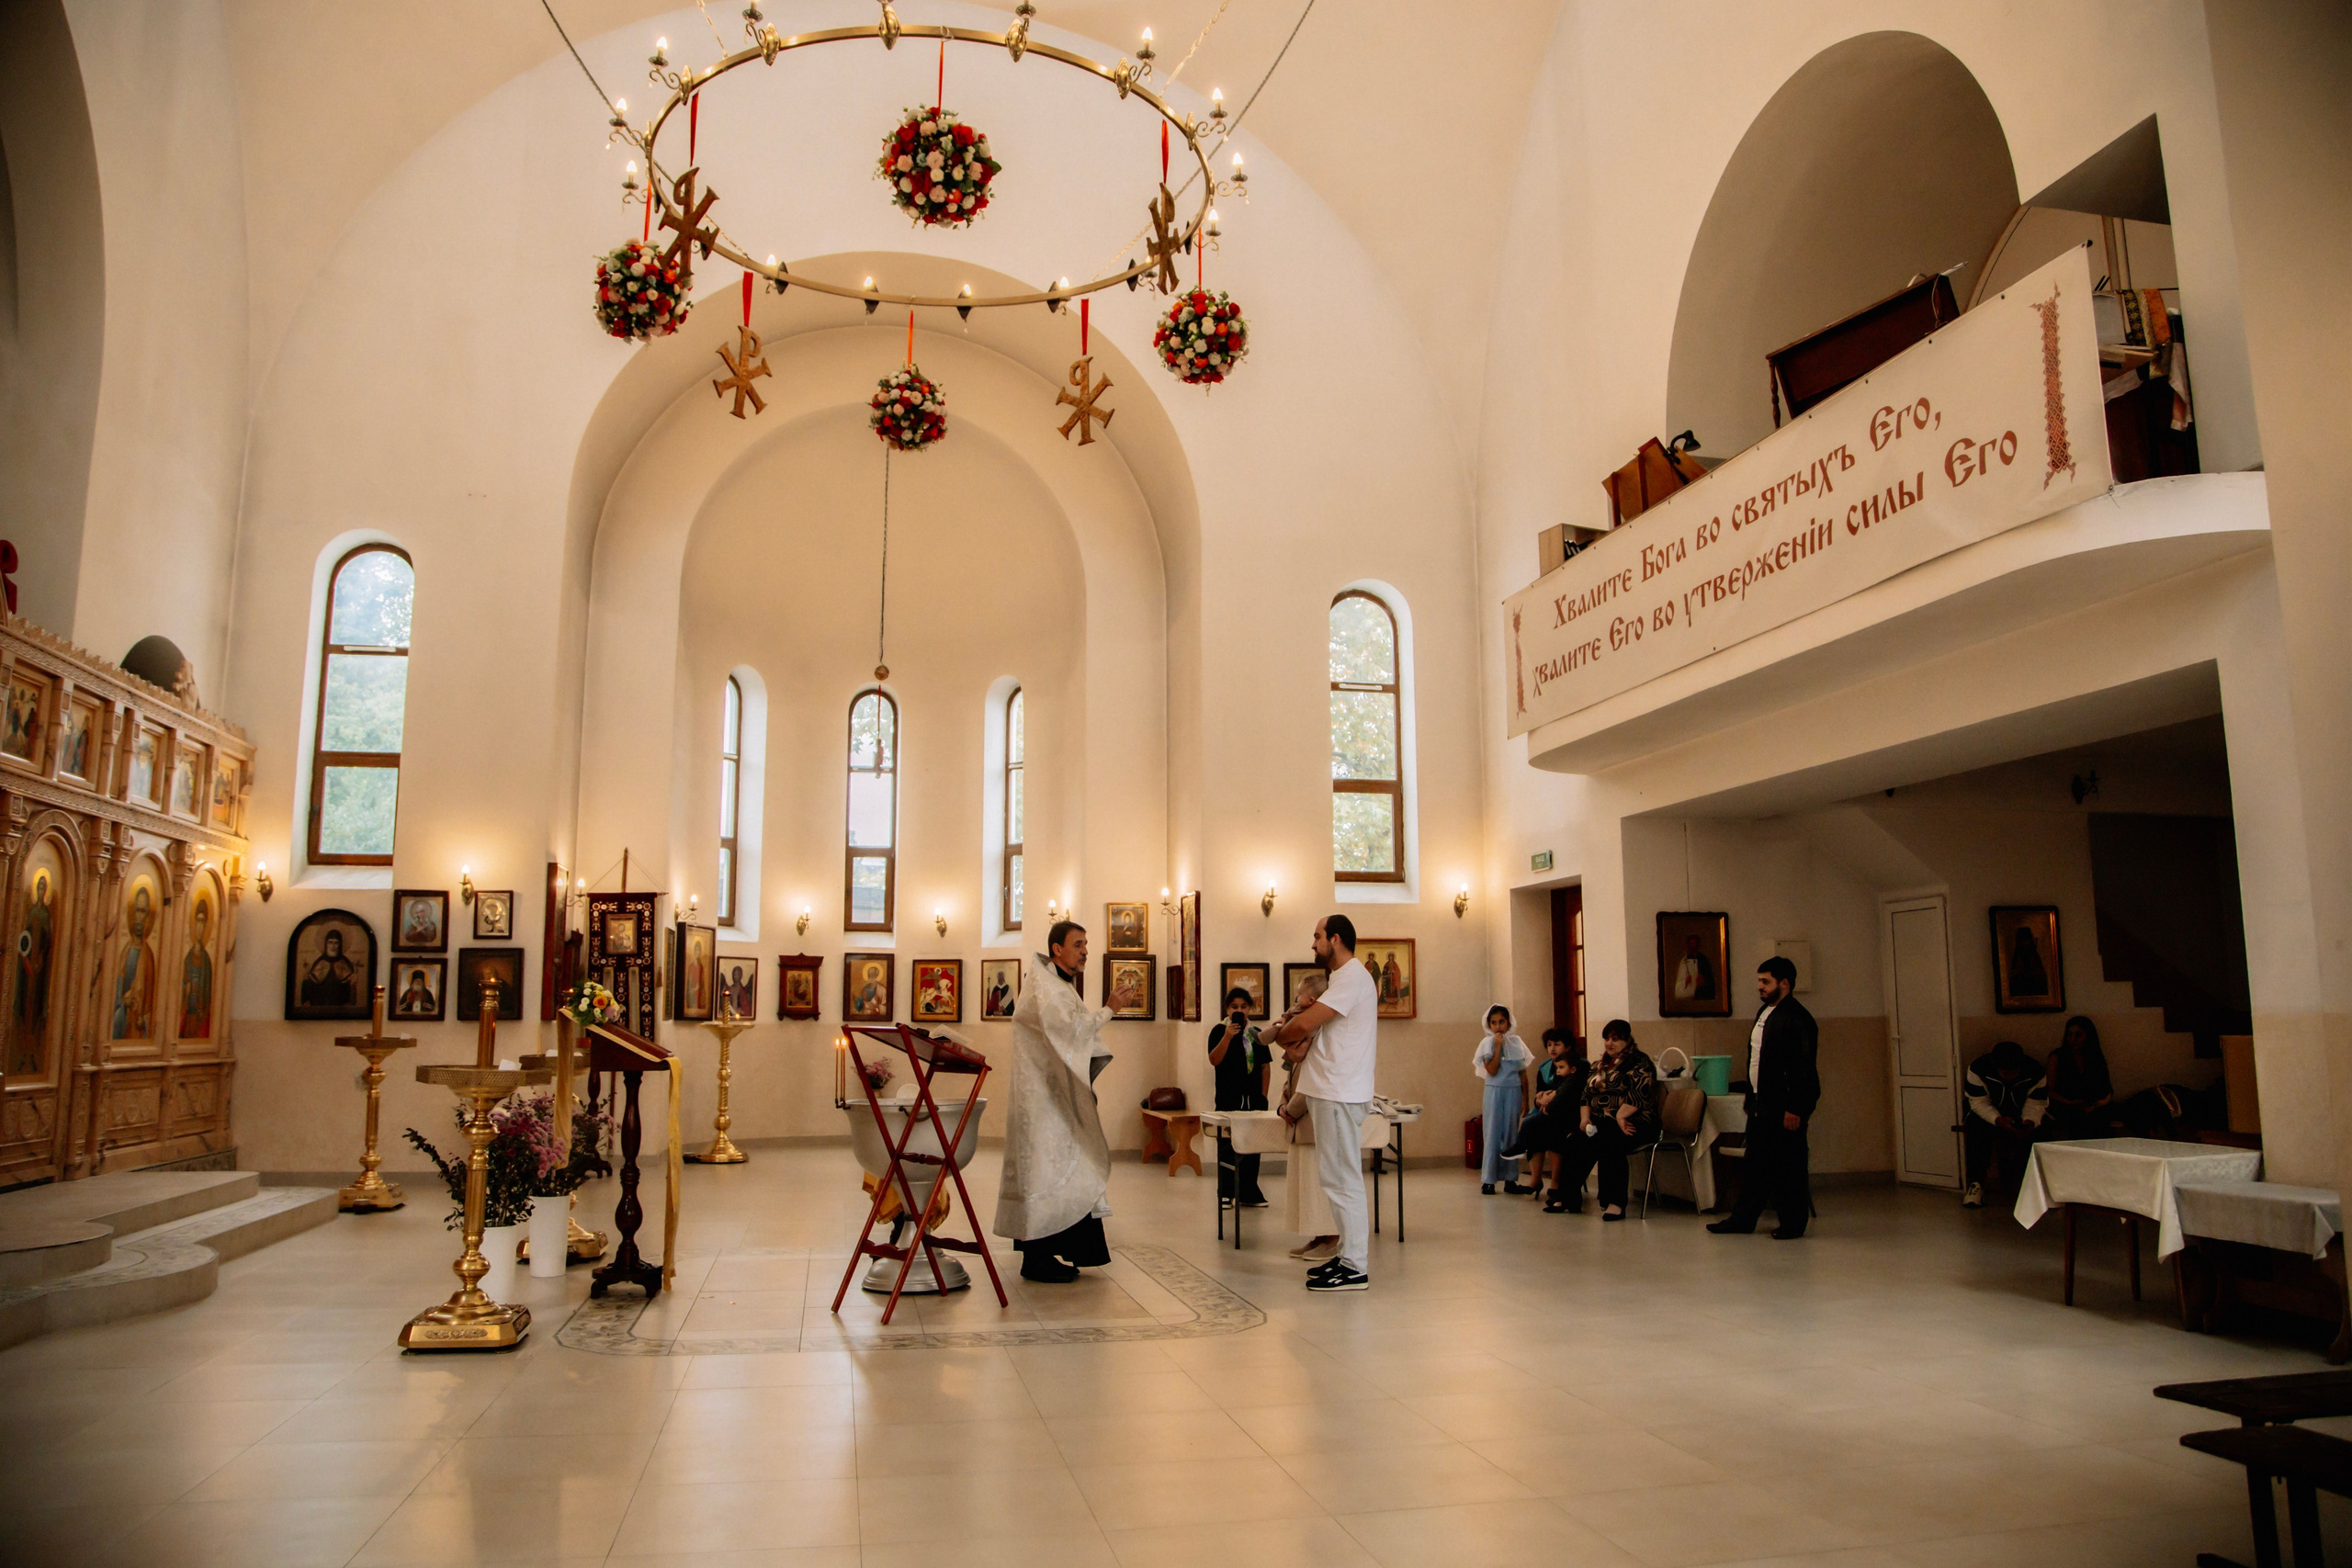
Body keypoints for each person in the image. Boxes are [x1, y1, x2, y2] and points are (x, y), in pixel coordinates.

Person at [992, 919, 1114, 1283]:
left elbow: (1072, 1032)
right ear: (1057, 949)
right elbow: (1069, 1031)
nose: (1085, 951)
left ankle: (1062, 1250)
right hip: (1043, 1103)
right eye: (1079, 944)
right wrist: (1109, 1009)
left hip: (1054, 1098)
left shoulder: (1056, 984)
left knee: (1069, 1169)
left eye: (1086, 944)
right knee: (1045, 1172)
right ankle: (1037, 1258)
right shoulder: (1046, 988)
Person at [1263, 914, 1379, 1292]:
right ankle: (1348, 1258)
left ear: (1336, 938)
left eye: (1317, 937)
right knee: (1335, 1179)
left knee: (1344, 1179)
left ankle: (1356, 1266)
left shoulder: (1352, 978)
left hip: (1340, 1091)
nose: (1312, 945)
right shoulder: (1341, 979)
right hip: (1330, 1090)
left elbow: (1303, 1025)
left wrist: (1286, 1034)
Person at [1710, 956, 1819, 1239]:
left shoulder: (1798, 1019)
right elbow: (1758, 1061)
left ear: (1785, 983)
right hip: (1762, 1104)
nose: (1759, 986)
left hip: (1785, 1107)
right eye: (1759, 981)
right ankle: (1743, 1218)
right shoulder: (1764, 1012)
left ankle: (1793, 1224)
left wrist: (1796, 1107)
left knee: (1789, 1165)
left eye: (1765, 981)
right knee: (1756, 1164)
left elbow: (1803, 1069)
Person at [1555, 1020, 1657, 1218]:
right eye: (1607, 1039)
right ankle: (1568, 1197)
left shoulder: (1640, 1062)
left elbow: (1640, 1094)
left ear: (1627, 1040)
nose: (1610, 1043)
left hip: (1635, 1122)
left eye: (1615, 1039)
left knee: (1610, 1141)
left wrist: (1620, 1115)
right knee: (1576, 1139)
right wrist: (1585, 1120)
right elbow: (1586, 1095)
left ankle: (1615, 1203)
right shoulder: (1599, 1065)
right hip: (1603, 1122)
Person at [1274, 970, 1340, 1261]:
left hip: (1314, 1120)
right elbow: (1292, 1074)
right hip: (1299, 1121)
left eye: (1299, 998)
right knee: (1306, 1185)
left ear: (1313, 1000)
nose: (1296, 1003)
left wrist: (1291, 1108)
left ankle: (1332, 1237)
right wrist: (1282, 1103)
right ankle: (1316, 1235)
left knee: (1320, 1184)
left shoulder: (1324, 1033)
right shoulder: (1305, 1031)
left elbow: (1316, 1080)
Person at [1501, 1029, 1588, 1209]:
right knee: (1537, 1127)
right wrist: (1540, 1099)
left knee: (1548, 1129)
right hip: (1550, 1112)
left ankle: (1555, 1183)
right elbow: (1538, 1094)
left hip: (1570, 1114)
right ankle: (1535, 1180)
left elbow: (1572, 1091)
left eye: (1557, 1044)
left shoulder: (1580, 1065)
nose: (1552, 1048)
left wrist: (1551, 1099)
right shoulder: (1545, 1067)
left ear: (1568, 1046)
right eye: (1549, 1045)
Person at [1962, 1040, 2049, 1208]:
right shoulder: (1978, 1068)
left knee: (2040, 1133)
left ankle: (2033, 1185)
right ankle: (1976, 1184)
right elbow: (1978, 1102)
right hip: (1988, 1116)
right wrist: (1997, 1120)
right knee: (1976, 1128)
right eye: (2005, 1073)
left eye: (2014, 1072)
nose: (2010, 1077)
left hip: (2020, 1115)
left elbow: (2037, 1103)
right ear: (1995, 1065)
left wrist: (2029, 1121)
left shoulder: (2035, 1071)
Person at [1207, 986, 1272, 1208]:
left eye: (1244, 1007)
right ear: (1227, 1008)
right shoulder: (1218, 1030)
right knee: (1228, 1143)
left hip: (1253, 1098)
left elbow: (1265, 1066)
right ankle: (1225, 1192)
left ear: (1250, 1009)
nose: (1239, 1010)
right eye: (1235, 1006)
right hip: (1228, 1096)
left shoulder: (1256, 1033)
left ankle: (1248, 1191)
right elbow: (1214, 1060)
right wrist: (1227, 1037)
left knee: (1253, 1143)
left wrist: (1263, 1094)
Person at [1473, 1004, 1535, 1195]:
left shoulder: (1517, 1043)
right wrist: (1498, 1046)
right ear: (1489, 1025)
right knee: (1492, 1134)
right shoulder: (1486, 1044)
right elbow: (1491, 1070)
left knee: (1510, 1136)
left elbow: (1523, 1074)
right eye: (1494, 1023)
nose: (1498, 1026)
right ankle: (1489, 1180)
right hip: (1494, 1091)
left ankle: (1510, 1179)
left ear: (1508, 1023)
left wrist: (1526, 1098)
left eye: (1501, 1022)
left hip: (1513, 1092)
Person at [2043, 1015, 2121, 1141]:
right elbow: (2050, 1090)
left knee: (2103, 1116)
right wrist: (2070, 1102)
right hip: (2065, 1104)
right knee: (2077, 1119)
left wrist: (2102, 1102)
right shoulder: (2057, 1057)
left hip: (2093, 1103)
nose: (2073, 1039)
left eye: (2078, 1035)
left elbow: (2107, 1087)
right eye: (2069, 1035)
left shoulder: (2094, 1056)